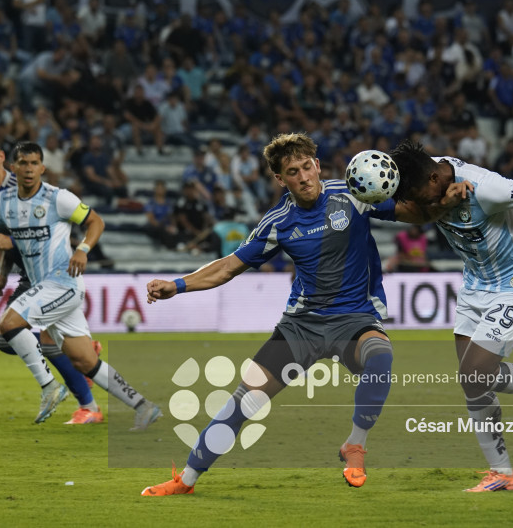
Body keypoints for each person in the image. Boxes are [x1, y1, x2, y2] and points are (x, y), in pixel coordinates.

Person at [140, 133, 467, 496]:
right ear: (281, 179)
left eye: (307, 167)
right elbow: (229, 266)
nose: (304, 177)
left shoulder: (354, 194)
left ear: (318, 165)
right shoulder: (278, 221)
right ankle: (185, 480)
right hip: (302, 326)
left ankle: (355, 445)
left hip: (354, 320)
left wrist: (443, 203)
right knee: (242, 403)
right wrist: (178, 285)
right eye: (293, 172)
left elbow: (414, 214)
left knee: (380, 358)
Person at [389, 140, 513, 492]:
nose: (421, 205)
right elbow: (402, 208)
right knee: (473, 382)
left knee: (474, 372)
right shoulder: (426, 180)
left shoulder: (486, 189)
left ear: (435, 177)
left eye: (422, 195)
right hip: (474, 286)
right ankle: (504, 470)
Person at [0, 141, 161, 431]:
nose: (29, 169)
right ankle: (144, 407)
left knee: (9, 324)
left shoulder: (58, 198)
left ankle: (49, 387)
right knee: (84, 361)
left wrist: (82, 249)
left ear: (42, 168)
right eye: (24, 164)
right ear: (14, 168)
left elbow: (96, 222)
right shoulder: (1, 204)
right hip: (43, 288)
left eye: (34, 164)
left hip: (62, 283)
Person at [0, 134, 101, 424]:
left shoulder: (22, 184)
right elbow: (12, 236)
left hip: (50, 272)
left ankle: (86, 401)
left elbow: (34, 234)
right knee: (9, 341)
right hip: (26, 274)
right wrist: (3, 274)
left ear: (3, 158)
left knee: (19, 335)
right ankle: (80, 358)